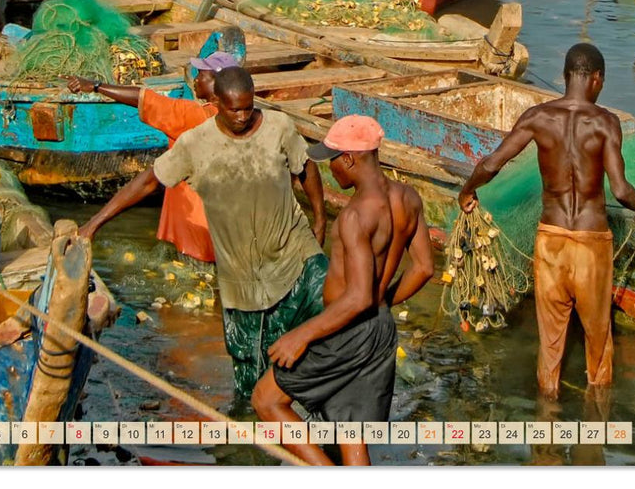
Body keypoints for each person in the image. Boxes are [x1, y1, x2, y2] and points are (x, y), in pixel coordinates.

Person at [80, 66, 328, 398]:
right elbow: (148, 182)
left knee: (329, 319)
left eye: (248, 107)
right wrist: (95, 223)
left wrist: (320, 218)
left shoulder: (278, 127)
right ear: (217, 103)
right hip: (240, 273)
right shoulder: (196, 142)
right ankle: (255, 426)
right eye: (234, 109)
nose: (242, 116)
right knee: (251, 366)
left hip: (293, 253)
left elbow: (305, 165)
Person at [458, 43, 635, 400]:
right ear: (597, 79)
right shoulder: (605, 122)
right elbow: (623, 191)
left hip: (550, 239)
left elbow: (490, 163)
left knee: (550, 343)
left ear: (565, 77)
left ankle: (545, 431)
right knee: (598, 341)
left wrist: (467, 191)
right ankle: (594, 432)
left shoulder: (538, 117)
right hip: (591, 243)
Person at [251, 115, 434, 466]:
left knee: (266, 399)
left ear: (349, 159)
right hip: (378, 329)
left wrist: (300, 336)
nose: (330, 168)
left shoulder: (355, 216)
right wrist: (384, 304)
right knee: (351, 434)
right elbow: (424, 267)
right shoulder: (409, 198)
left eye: (332, 160)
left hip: (346, 330)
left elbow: (357, 296)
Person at [66, 51, 240, 264]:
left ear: (218, 84)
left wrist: (95, 86)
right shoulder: (238, 119)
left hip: (197, 237)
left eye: (201, 74)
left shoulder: (193, 116)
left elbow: (143, 98)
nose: (195, 79)